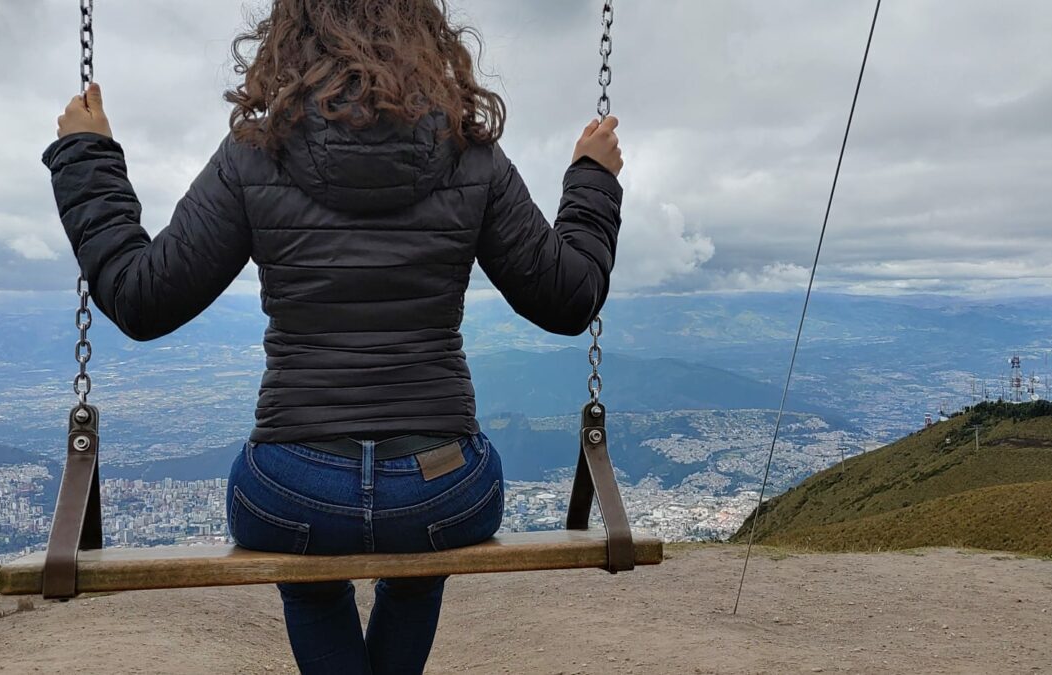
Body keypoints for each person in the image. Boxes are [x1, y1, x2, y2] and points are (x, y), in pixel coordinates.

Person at [44, 1, 623, 672]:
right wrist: (592, 179)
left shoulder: (253, 157)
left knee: (309, 569)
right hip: (440, 485)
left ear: (290, 39)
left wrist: (86, 158)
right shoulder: (472, 157)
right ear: (425, 36)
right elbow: (569, 296)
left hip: (292, 488)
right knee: (422, 549)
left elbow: (140, 297)